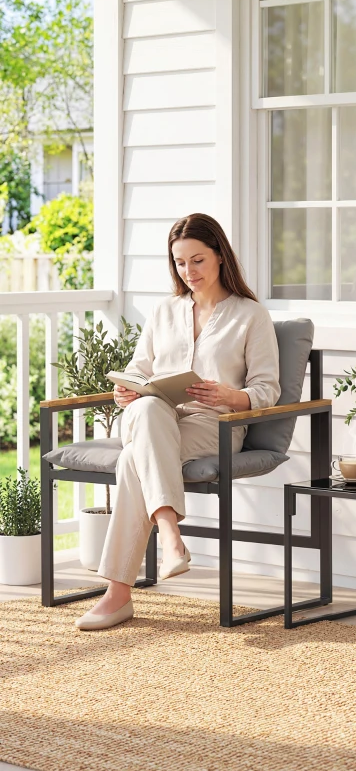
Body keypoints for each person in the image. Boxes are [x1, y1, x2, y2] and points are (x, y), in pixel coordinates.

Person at [75, 213, 281, 630]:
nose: (189, 272)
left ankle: (119, 594)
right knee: (148, 409)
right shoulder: (164, 311)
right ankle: (169, 537)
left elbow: (267, 389)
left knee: (134, 458)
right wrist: (125, 391)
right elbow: (138, 369)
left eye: (198, 260)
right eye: (180, 263)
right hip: (156, 415)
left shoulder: (250, 316)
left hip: (214, 427)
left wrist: (231, 395)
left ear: (221, 256)